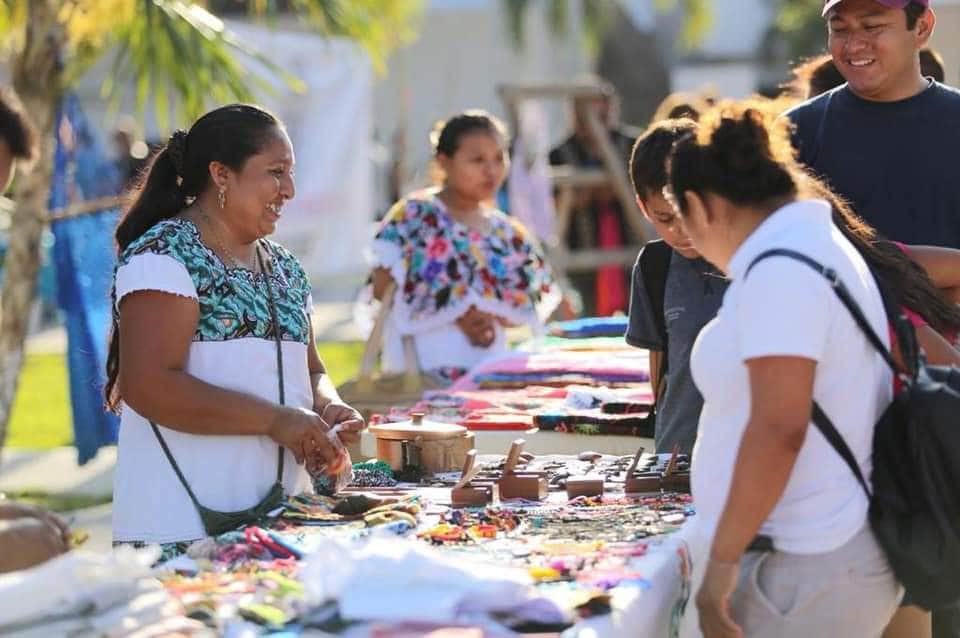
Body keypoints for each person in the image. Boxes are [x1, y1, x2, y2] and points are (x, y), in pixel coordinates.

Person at [671, 103, 901, 638]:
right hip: (813, 562)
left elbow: (780, 428)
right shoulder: (808, 247)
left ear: (701, 206)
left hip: (803, 569)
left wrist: (720, 567)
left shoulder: (783, 270)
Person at [106, 104, 361, 554]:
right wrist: (277, 420)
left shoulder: (283, 266)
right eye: (276, 172)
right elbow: (147, 385)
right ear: (221, 175)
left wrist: (329, 406)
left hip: (281, 518)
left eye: (291, 173)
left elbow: (311, 370)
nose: (290, 190)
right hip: (181, 526)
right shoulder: (164, 256)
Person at [367, 111, 558, 378]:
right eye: (477, 160)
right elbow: (380, 287)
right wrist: (453, 311)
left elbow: (532, 302)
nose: (490, 170)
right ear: (444, 162)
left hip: (491, 375)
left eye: (498, 158)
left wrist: (493, 314)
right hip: (420, 374)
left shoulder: (508, 232)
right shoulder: (413, 215)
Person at [786, 0, 960, 249]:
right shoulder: (792, 134)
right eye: (840, 29)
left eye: (872, 26)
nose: (854, 45)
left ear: (922, 27)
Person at [625, 118, 727, 455]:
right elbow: (661, 367)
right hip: (677, 451)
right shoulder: (655, 266)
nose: (681, 230)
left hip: (750, 456)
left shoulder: (752, 256)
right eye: (665, 219)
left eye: (690, 213)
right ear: (643, 208)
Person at [549, 78, 639, 316]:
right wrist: (581, 195)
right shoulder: (559, 154)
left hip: (632, 244)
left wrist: (620, 189)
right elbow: (552, 206)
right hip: (583, 247)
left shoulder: (633, 144)